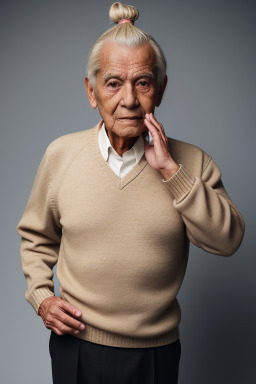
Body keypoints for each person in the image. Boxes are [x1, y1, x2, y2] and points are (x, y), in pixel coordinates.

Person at [16, 2, 245, 383]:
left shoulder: (191, 162)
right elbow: (35, 237)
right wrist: (42, 298)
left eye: (143, 82)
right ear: (91, 92)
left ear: (161, 89)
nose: (129, 99)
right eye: (113, 83)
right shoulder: (61, 155)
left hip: (156, 353)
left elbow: (228, 241)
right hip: (77, 347)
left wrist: (171, 171)